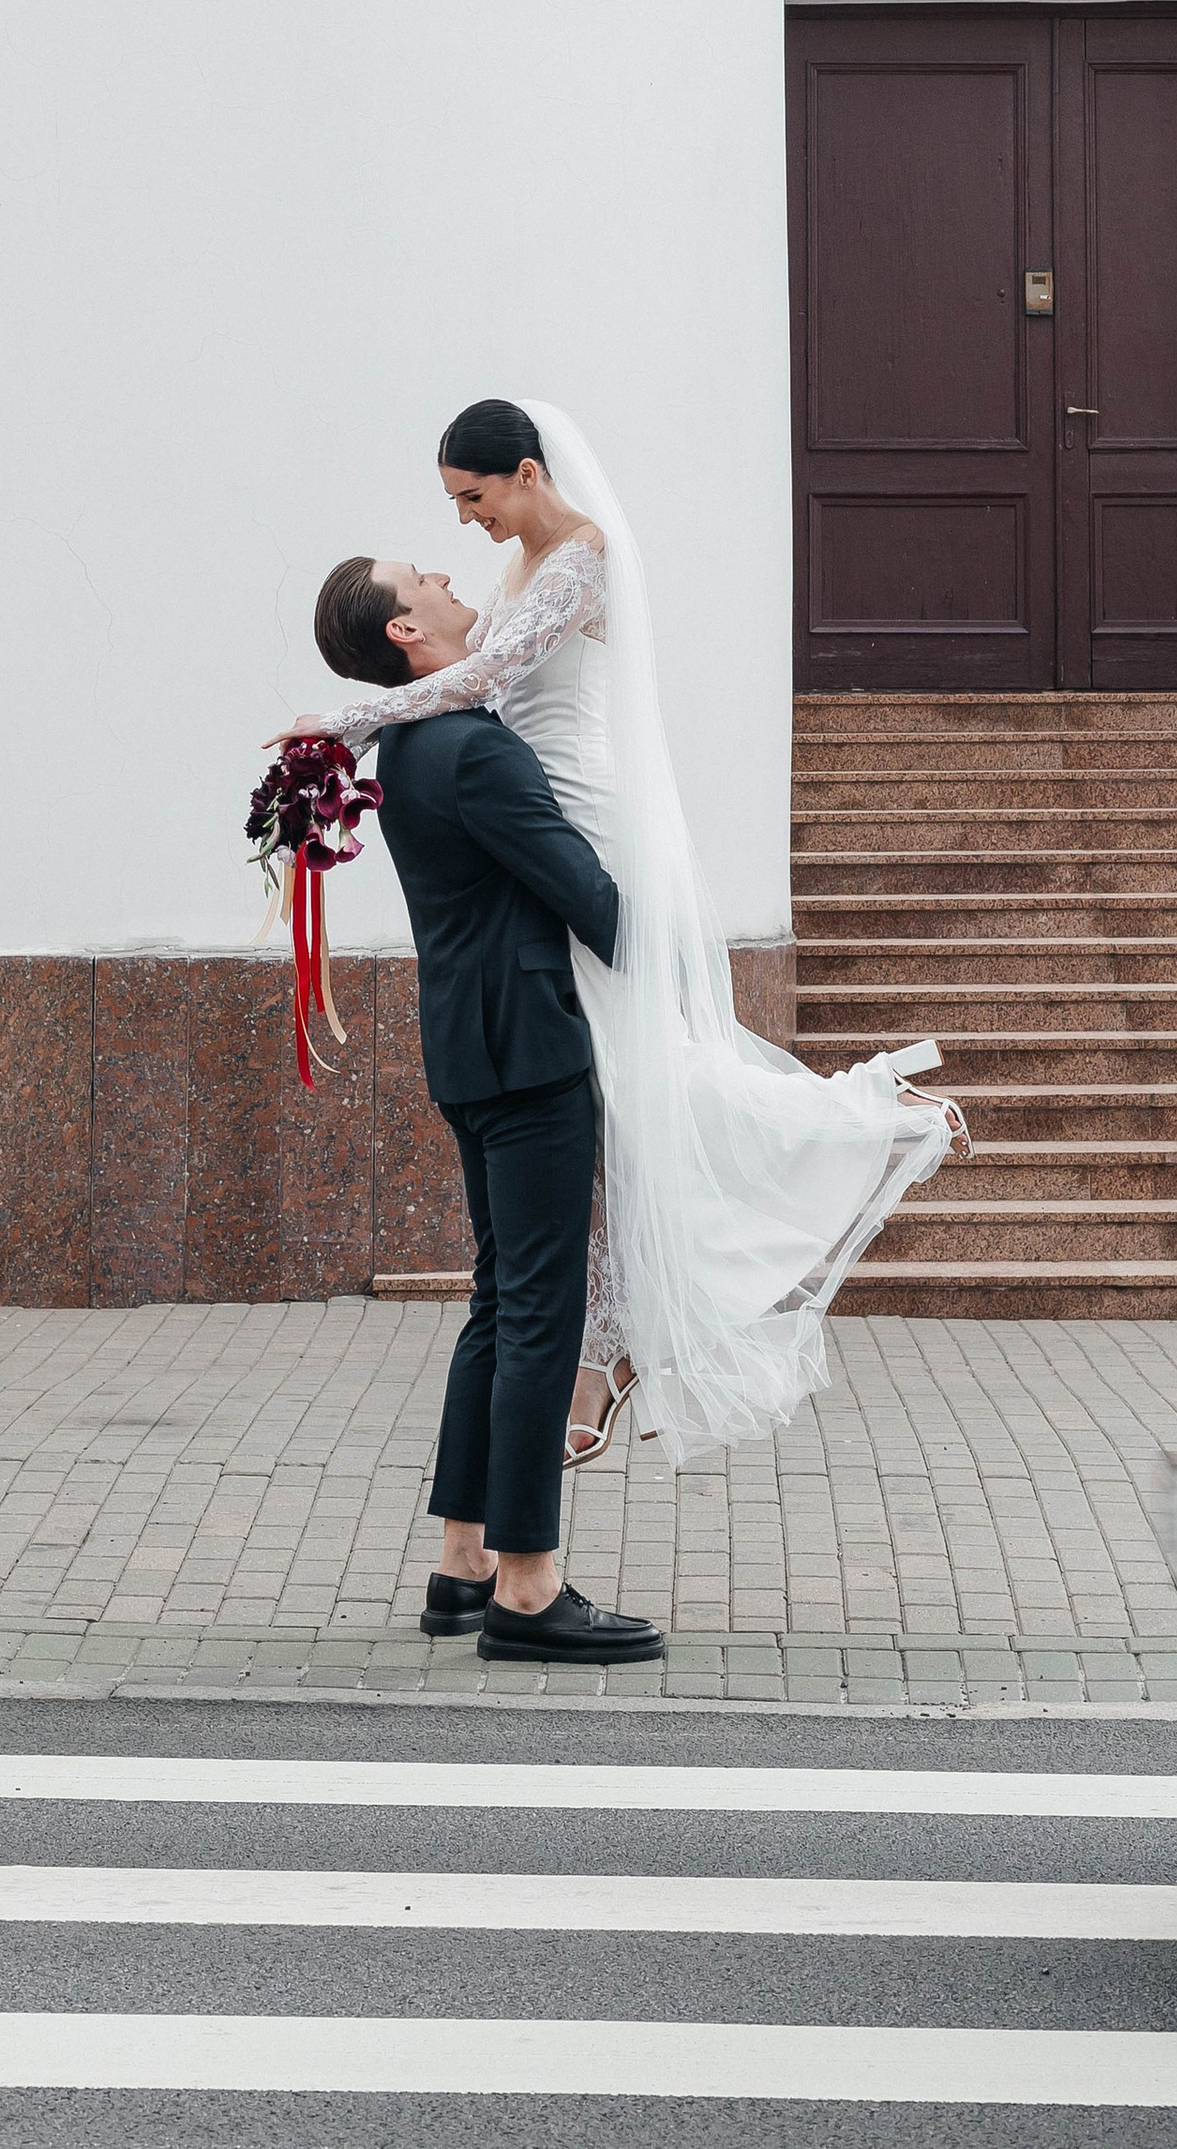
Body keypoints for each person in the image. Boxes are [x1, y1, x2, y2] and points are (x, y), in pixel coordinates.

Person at [294, 399, 965, 1470]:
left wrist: (346, 720)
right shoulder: (520, 565)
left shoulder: (581, 559)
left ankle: (856, 1125)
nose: (462, 526)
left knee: (645, 1062)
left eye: (470, 498)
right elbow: (472, 680)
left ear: (521, 470)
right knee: (613, 1085)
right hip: (534, 807)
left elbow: (486, 680)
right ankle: (618, 1343)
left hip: (582, 822)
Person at [310, 548, 666, 1667]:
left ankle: (462, 1564)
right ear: (409, 637)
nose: (457, 581)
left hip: (471, 1049)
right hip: (531, 1054)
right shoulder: (472, 750)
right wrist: (676, 985)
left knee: (499, 1303)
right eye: (429, 582)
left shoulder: (418, 743)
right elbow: (589, 897)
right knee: (539, 1319)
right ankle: (527, 1585)